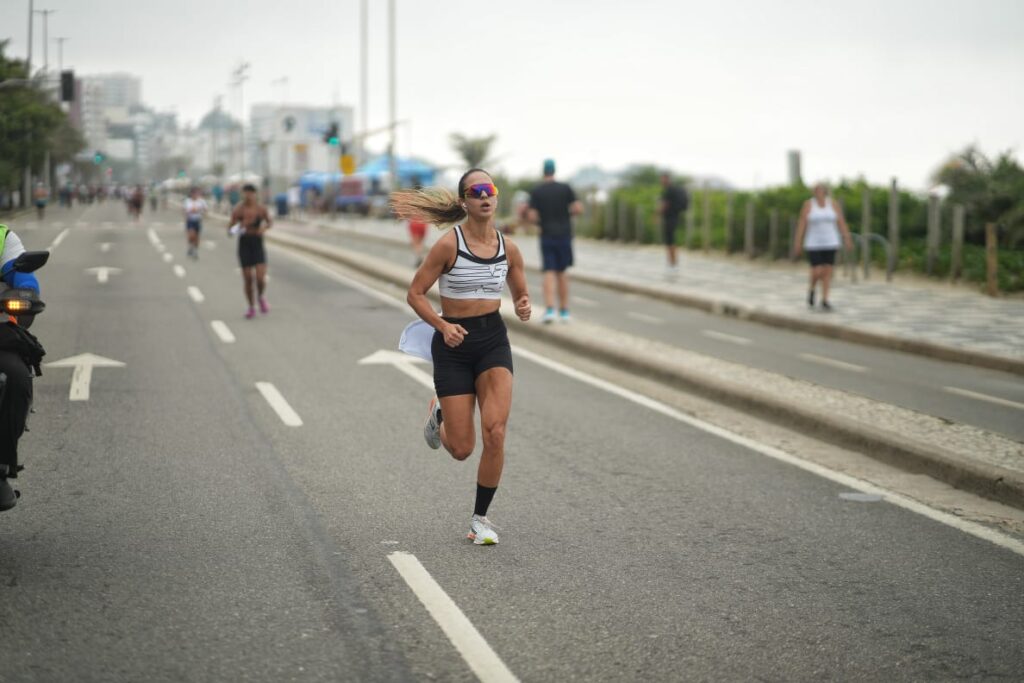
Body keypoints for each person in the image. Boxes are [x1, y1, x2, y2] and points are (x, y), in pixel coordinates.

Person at [395, 169, 531, 545]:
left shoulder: (509, 248)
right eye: (477, 191)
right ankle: (438, 413)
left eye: (490, 190)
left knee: (496, 431)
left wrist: (522, 304)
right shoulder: (448, 245)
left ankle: (479, 520)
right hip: (453, 345)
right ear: (465, 201)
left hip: (492, 341)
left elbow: (520, 291)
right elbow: (416, 294)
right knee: (461, 448)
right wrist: (442, 325)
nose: (485, 197)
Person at [0, 224, 44, 511]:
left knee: (16, 377)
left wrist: (25, 290)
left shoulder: (3, 236)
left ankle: (2, 464)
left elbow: (24, 274)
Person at [528, 159, 582, 323]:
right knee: (563, 272)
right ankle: (564, 311)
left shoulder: (537, 191)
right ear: (555, 171)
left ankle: (549, 309)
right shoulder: (565, 188)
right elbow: (578, 208)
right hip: (564, 235)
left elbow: (531, 216)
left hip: (546, 234)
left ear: (543, 171)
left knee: (549, 272)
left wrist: (541, 222)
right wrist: (565, 216)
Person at [794, 183, 854, 311]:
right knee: (817, 270)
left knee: (827, 271)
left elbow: (841, 222)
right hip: (813, 242)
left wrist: (847, 238)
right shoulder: (809, 205)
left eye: (821, 190)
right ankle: (812, 288)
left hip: (830, 241)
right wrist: (798, 241)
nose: (819, 192)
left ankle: (825, 299)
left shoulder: (832, 204)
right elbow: (802, 223)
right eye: (817, 190)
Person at [228, 184, 272, 319]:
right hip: (244, 244)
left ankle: (260, 297)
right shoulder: (238, 210)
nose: (247, 196)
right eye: (245, 193)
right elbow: (230, 230)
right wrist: (238, 226)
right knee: (248, 279)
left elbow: (269, 222)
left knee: (260, 278)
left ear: (254, 194)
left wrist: (263, 229)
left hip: (257, 243)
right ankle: (251, 306)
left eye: (250, 193)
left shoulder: (261, 209)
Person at [657, 172, 689, 274]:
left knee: (669, 240)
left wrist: (657, 214)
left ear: (666, 179)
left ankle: (672, 264)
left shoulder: (669, 190)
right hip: (675, 217)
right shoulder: (674, 189)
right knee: (671, 240)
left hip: (670, 218)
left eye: (662, 179)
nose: (661, 181)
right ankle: (672, 263)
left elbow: (664, 205)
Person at [183, 187, 208, 259]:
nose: (196, 195)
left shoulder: (201, 201)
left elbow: (206, 209)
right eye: (194, 193)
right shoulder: (187, 201)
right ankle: (190, 246)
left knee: (197, 237)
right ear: (191, 194)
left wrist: (200, 211)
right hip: (190, 220)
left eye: (197, 193)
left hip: (198, 220)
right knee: (191, 235)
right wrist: (189, 211)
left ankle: (195, 251)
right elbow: (184, 210)